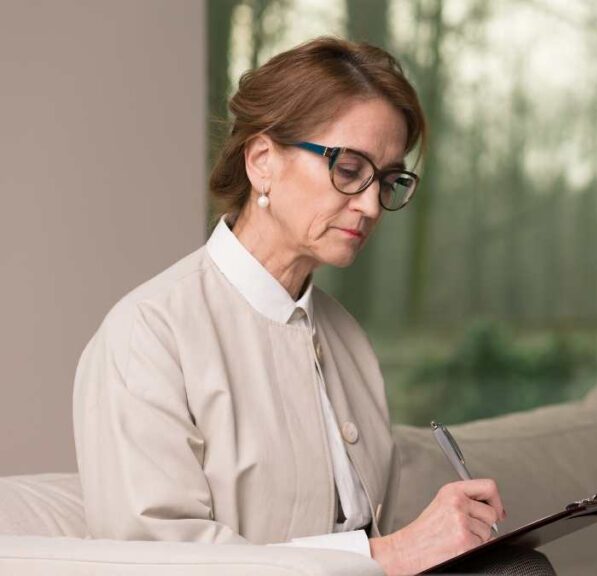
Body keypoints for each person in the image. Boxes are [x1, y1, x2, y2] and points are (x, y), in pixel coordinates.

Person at [73, 37, 511, 576]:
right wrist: (391, 554)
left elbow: (362, 531)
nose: (372, 204)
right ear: (262, 162)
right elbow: (159, 560)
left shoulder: (346, 338)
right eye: (349, 169)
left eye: (389, 179)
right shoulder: (148, 334)